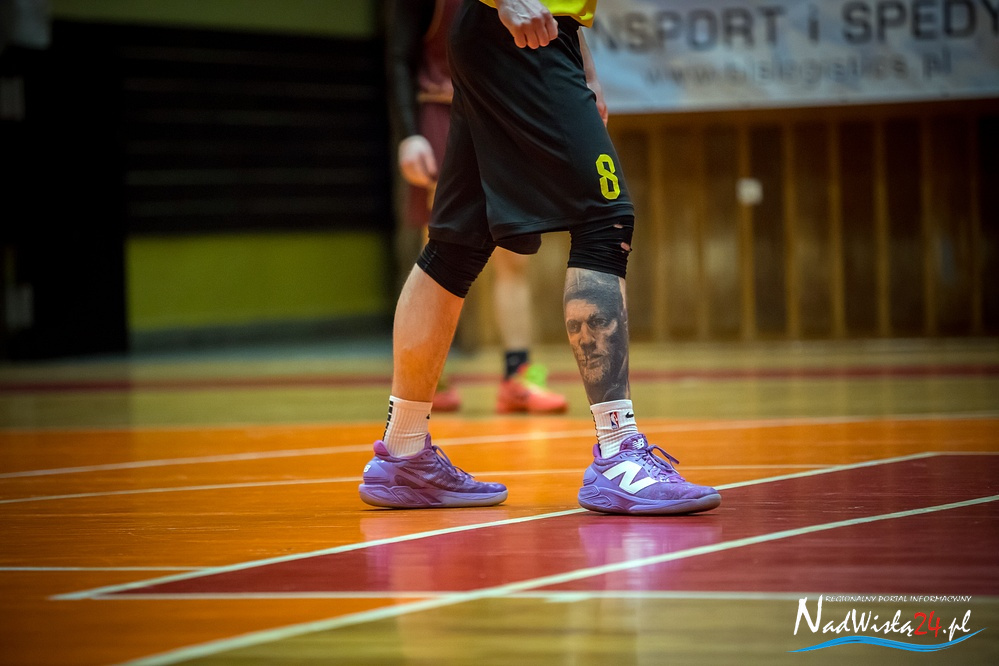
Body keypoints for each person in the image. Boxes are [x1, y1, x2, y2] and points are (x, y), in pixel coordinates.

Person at [360, 0, 721, 515]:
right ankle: (619, 456)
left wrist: (582, 56)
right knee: (604, 220)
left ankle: (403, 452)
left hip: (528, 33)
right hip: (520, 34)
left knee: (456, 245)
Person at [386, 0, 569, 415]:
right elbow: (399, 58)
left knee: (514, 254)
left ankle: (518, 377)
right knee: (437, 256)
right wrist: (408, 134)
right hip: (442, 112)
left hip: (503, 116)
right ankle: (426, 377)